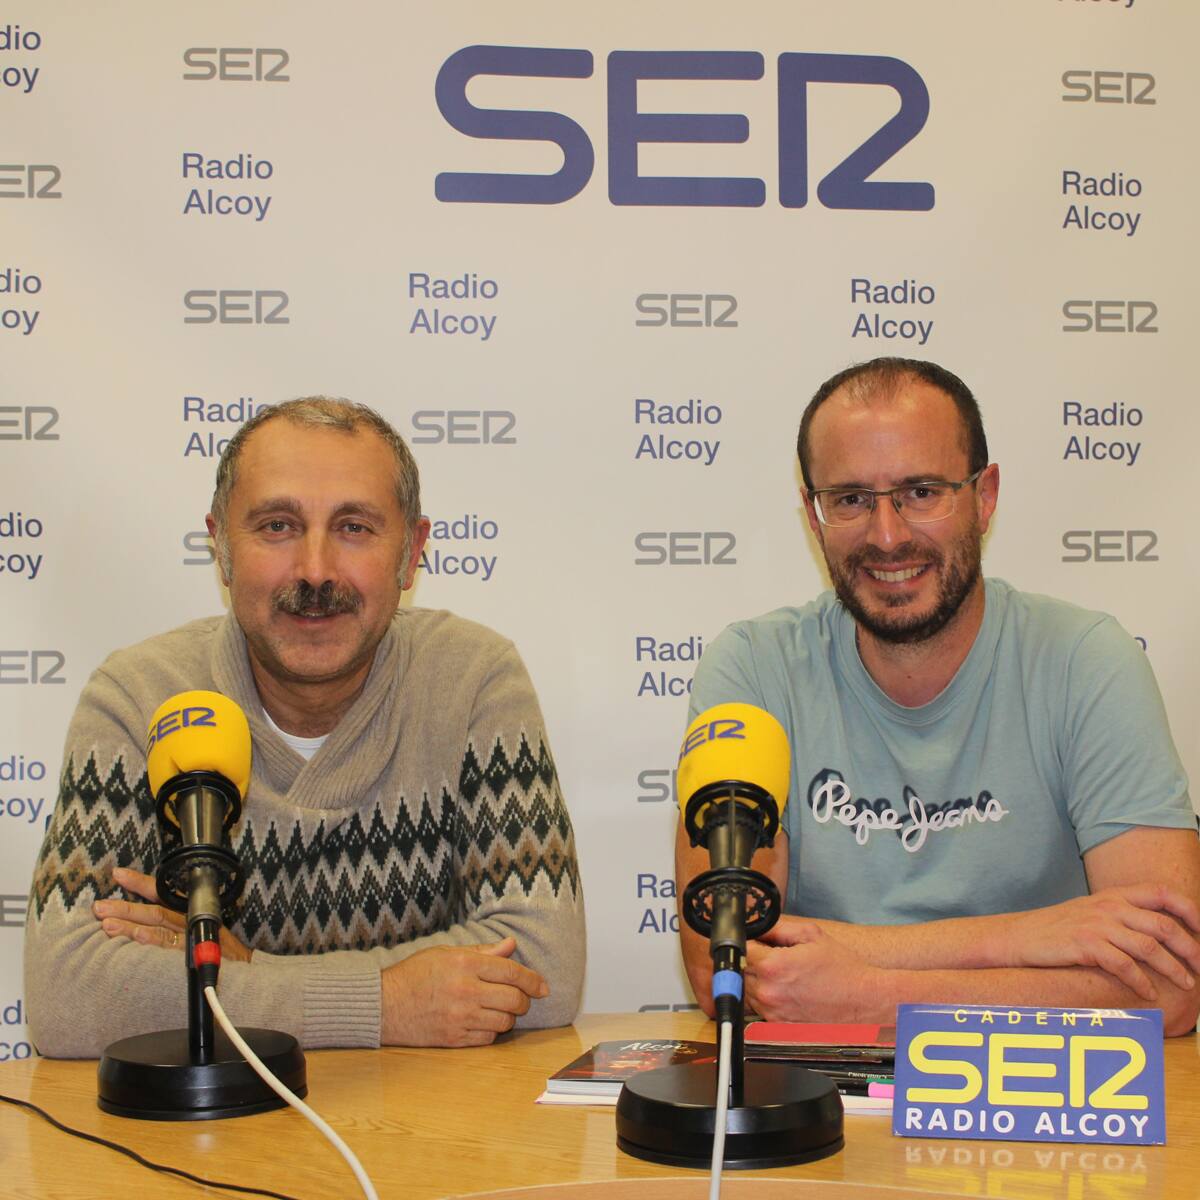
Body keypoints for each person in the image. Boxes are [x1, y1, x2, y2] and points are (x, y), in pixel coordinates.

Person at [25, 397, 585, 1056]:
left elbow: (543, 960)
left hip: (424, 1118)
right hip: (216, 1121)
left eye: (354, 527)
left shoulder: (473, 681)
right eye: (277, 526)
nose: (316, 570)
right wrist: (387, 1002)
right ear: (221, 549)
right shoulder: (139, 698)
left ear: (411, 553)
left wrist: (240, 971)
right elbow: (66, 995)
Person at [676, 357, 1200, 1035]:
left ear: (985, 497)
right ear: (813, 514)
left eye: (922, 492)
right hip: (823, 1096)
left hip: (1039, 1093)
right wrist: (1026, 937)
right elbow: (722, 959)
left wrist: (874, 995)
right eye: (850, 499)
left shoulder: (1085, 660)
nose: (887, 535)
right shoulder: (754, 668)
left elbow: (1169, 982)